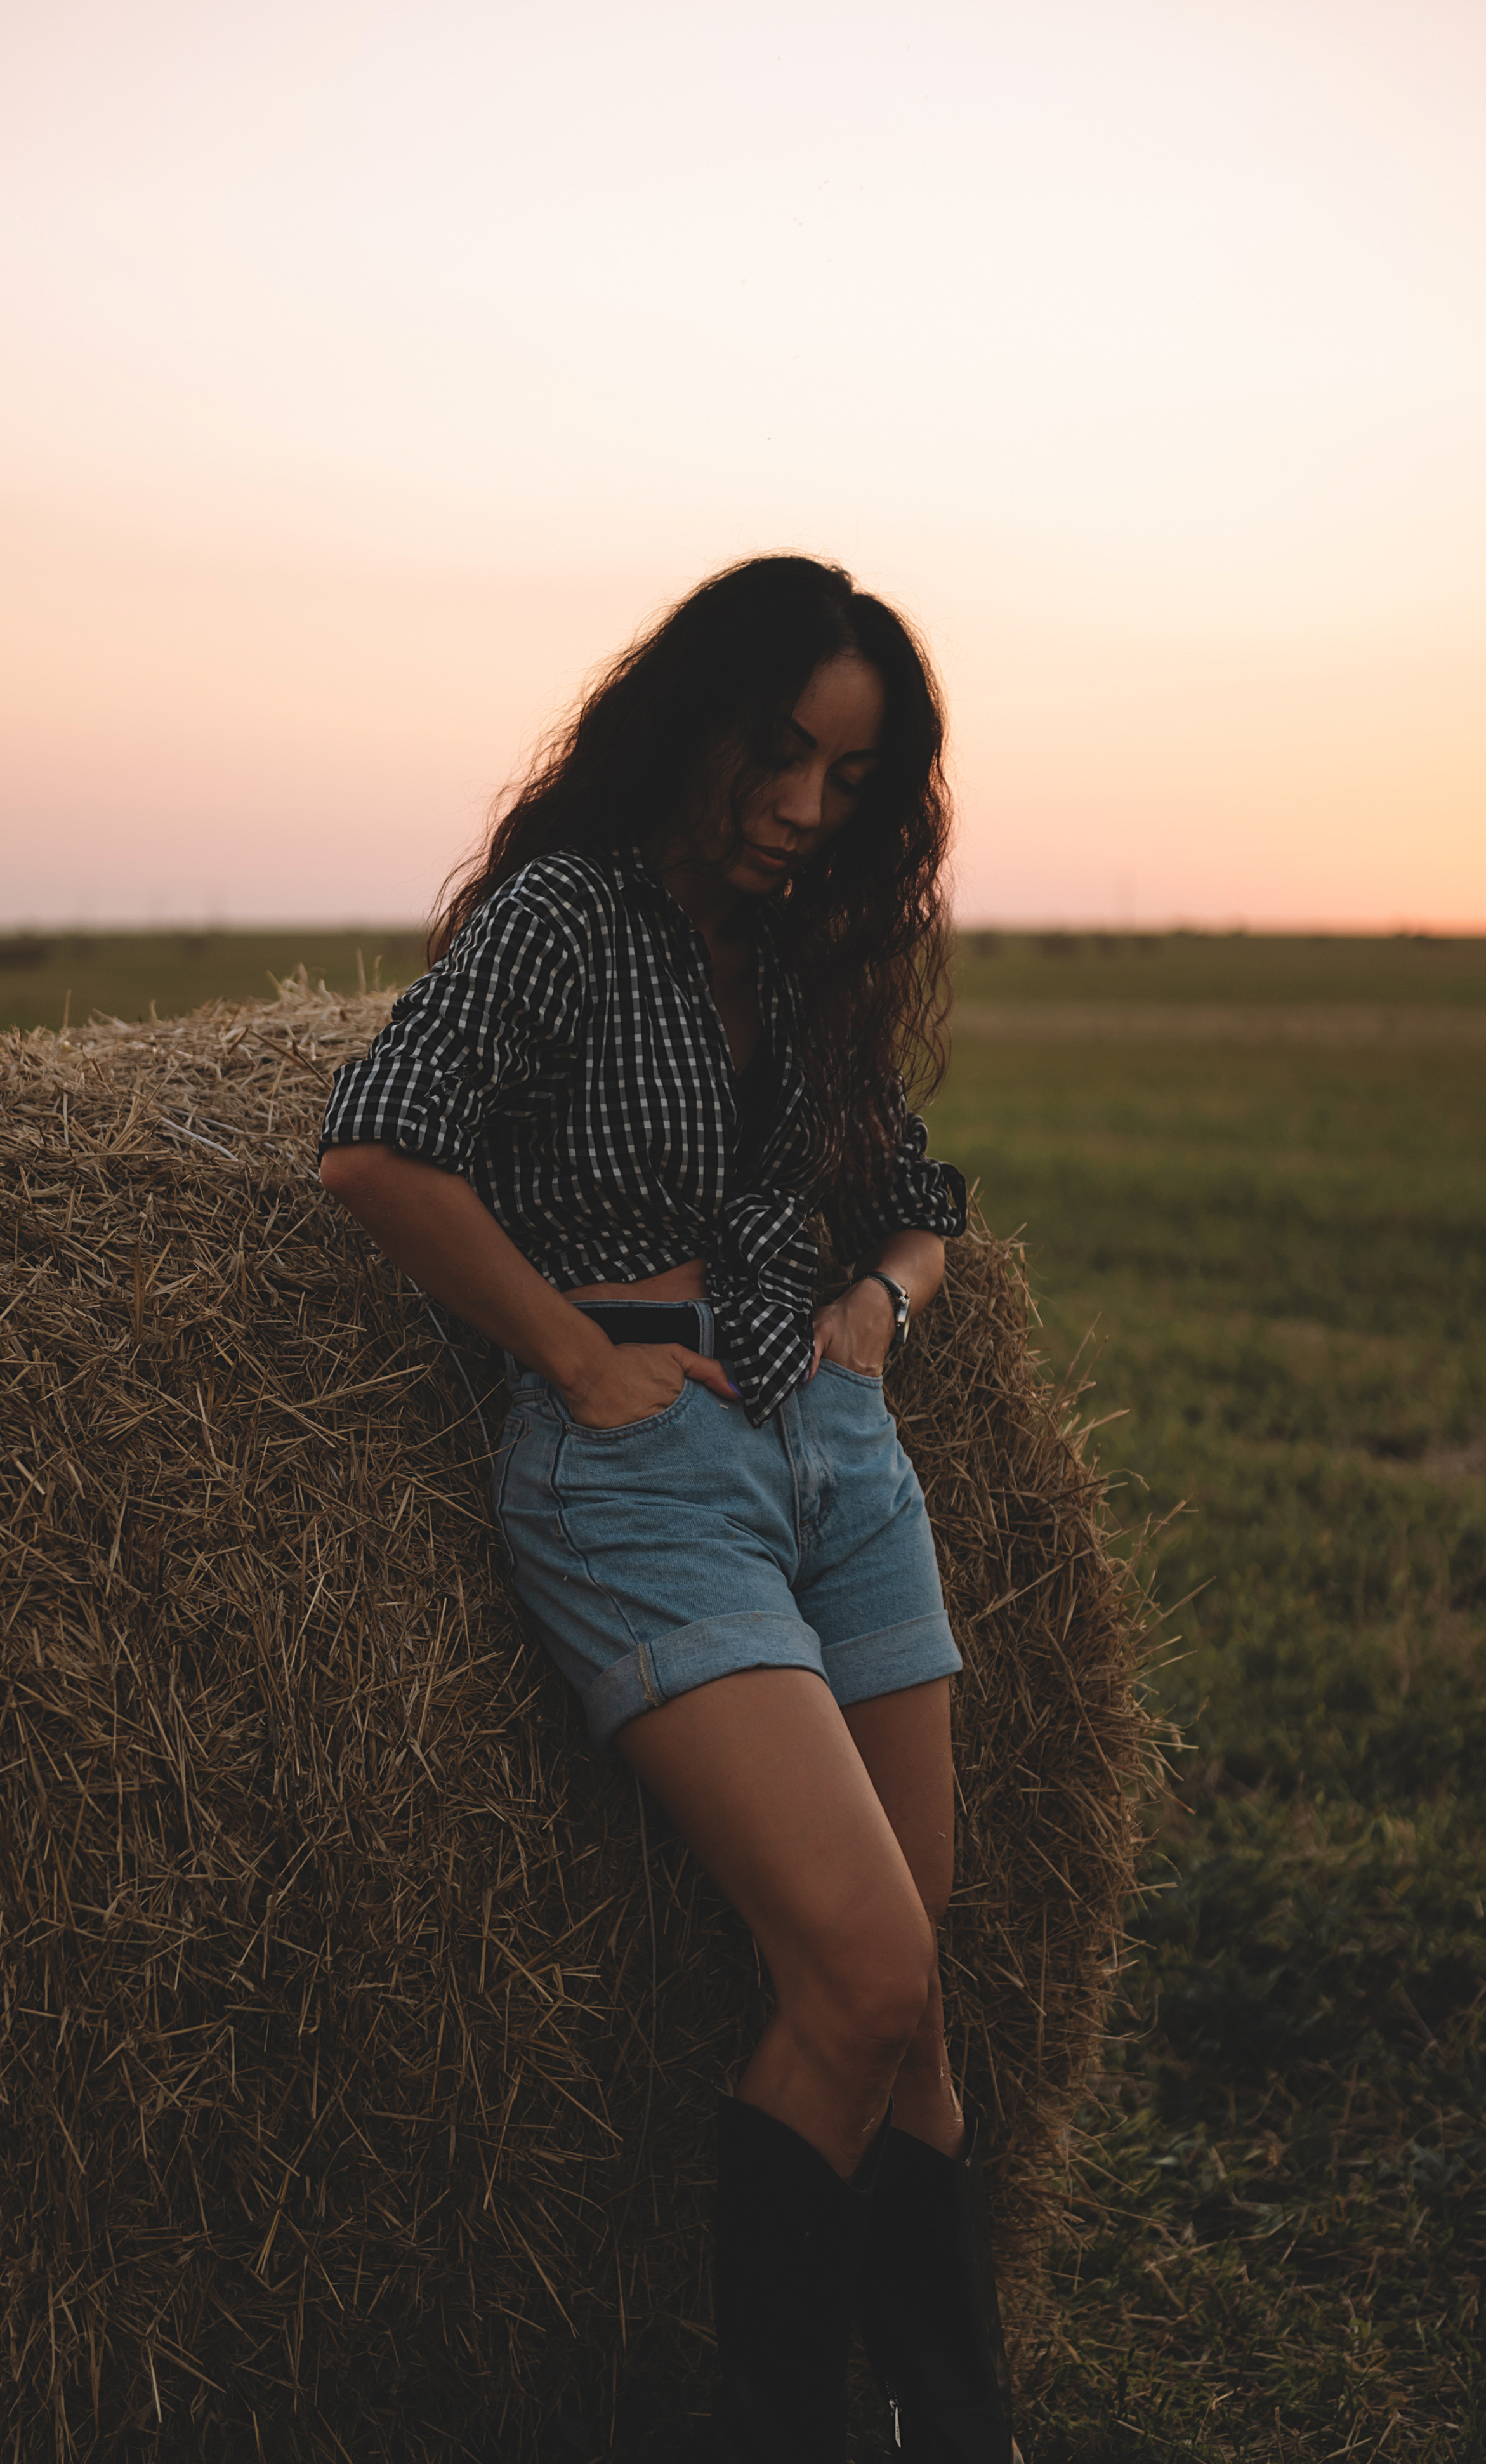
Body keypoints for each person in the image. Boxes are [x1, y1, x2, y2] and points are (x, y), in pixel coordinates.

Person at [319, 556, 1017, 2464]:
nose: (808, 811)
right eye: (782, 757)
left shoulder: (805, 956)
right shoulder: (565, 917)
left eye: (852, 780)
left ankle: (963, 2438)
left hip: (838, 1461)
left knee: (912, 2011)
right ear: (697, 724)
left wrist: (882, 1304)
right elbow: (378, 1139)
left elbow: (924, 1193)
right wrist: (571, 1346)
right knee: (864, 1971)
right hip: (645, 1476)